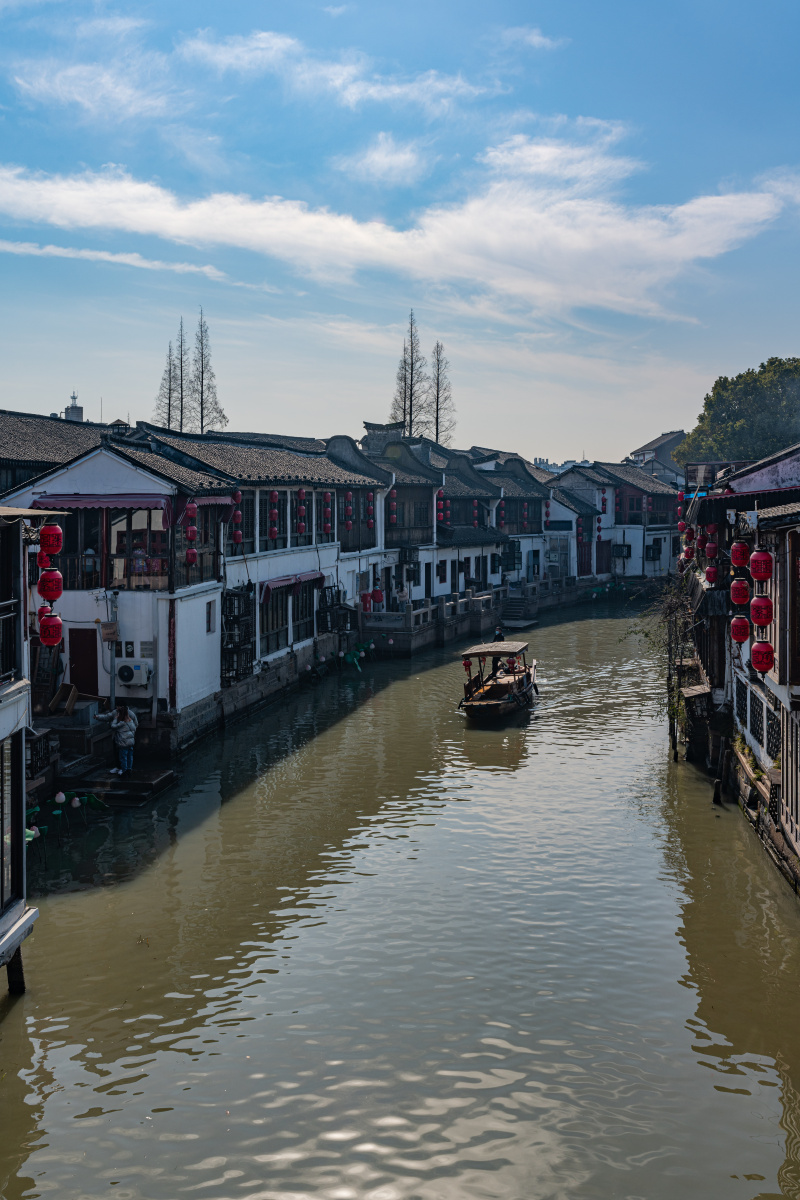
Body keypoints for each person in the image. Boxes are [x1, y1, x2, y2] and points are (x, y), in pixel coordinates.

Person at [98, 703, 138, 775]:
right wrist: (131, 734)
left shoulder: (122, 722)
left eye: (118, 706)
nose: (117, 708)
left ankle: (123, 770)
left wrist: (116, 719)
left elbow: (113, 726)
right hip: (130, 741)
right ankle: (128, 769)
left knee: (123, 756)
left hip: (122, 740)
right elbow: (135, 726)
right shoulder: (130, 721)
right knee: (129, 756)